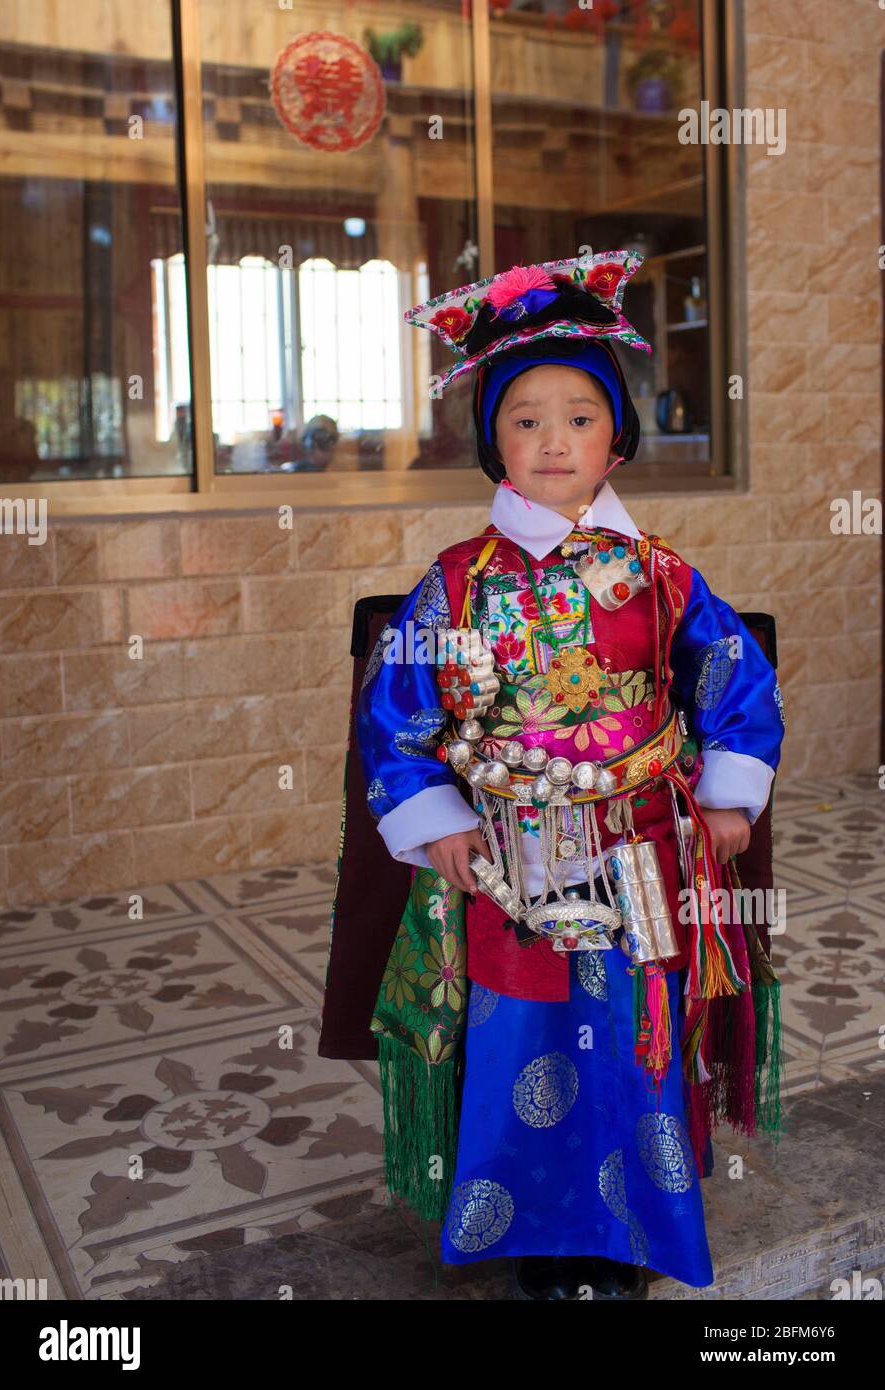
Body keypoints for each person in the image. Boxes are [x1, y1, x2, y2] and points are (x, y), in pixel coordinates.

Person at [339, 254, 785, 1300]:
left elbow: (729, 674)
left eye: (578, 417)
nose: (553, 440)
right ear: (491, 439)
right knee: (520, 1037)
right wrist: (434, 816)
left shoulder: (662, 572)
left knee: (633, 1037)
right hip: (505, 861)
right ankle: (527, 1234)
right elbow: (395, 713)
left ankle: (629, 1233)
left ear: (615, 436)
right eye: (525, 419)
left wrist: (726, 790)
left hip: (636, 847)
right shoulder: (456, 580)